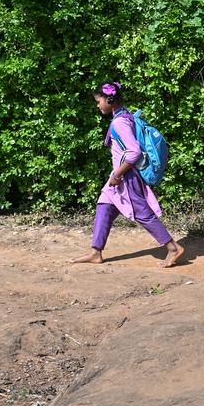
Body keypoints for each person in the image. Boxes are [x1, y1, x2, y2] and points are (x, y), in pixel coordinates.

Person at [72, 81, 185, 268]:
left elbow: (134, 152)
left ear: (109, 99)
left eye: (98, 100)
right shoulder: (125, 115)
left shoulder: (119, 122)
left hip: (126, 176)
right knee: (104, 206)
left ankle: (173, 248)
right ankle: (95, 252)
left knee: (143, 213)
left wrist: (117, 175)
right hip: (119, 174)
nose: (98, 105)